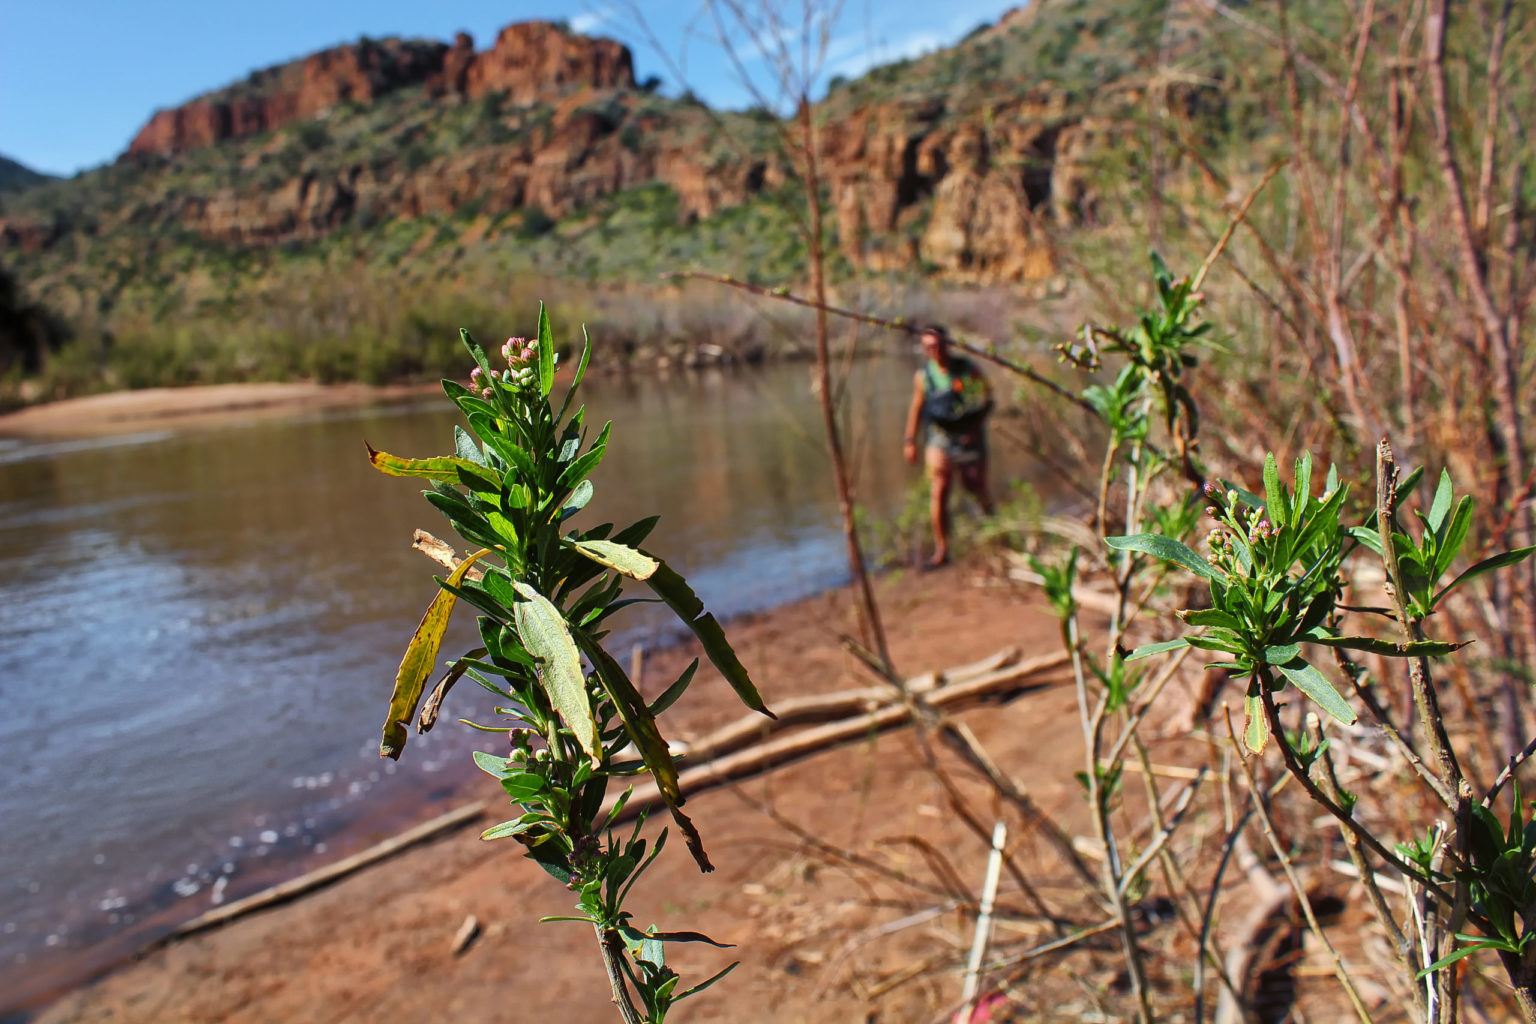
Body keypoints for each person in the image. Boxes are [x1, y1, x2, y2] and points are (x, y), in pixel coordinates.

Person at [903, 324, 995, 568]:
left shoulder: (967, 369)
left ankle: (994, 532)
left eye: (939, 345)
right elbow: (917, 406)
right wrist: (910, 440)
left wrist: (973, 428)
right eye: (929, 347)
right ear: (924, 349)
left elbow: (987, 397)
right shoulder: (924, 376)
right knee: (939, 488)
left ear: (948, 344)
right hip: (940, 437)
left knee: (975, 486)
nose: (935, 350)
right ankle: (942, 549)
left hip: (970, 435)